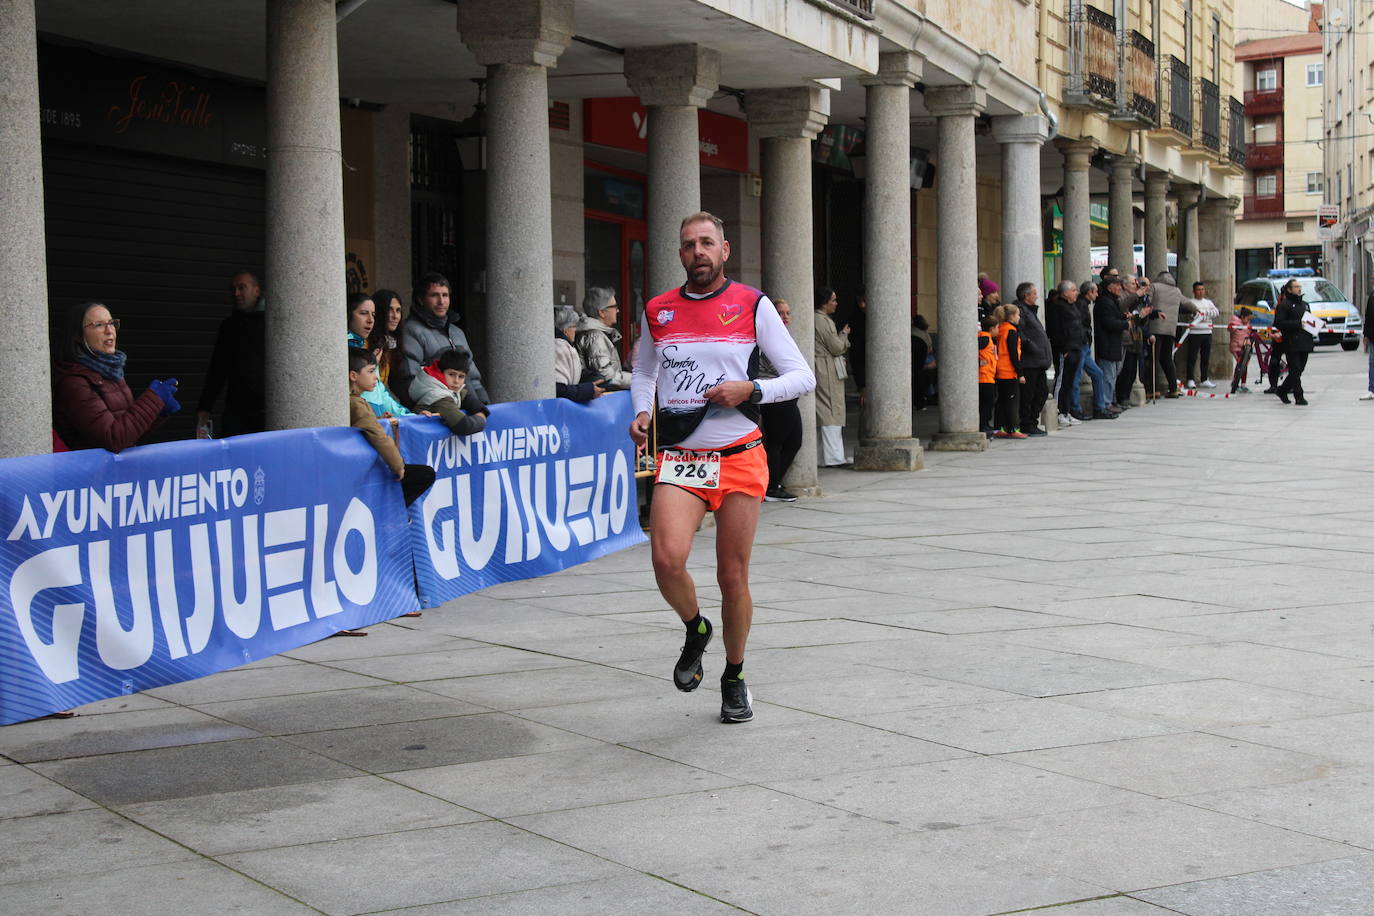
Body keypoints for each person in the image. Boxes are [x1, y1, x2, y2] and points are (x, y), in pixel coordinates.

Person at [628, 211, 814, 724]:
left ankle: (734, 676)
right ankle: (696, 628)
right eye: (689, 245)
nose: (698, 252)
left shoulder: (752, 304)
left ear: (724, 250)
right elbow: (644, 370)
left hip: (738, 456)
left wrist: (750, 390)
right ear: (680, 253)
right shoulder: (659, 309)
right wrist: (641, 411)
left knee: (732, 576)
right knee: (666, 559)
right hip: (682, 457)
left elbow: (802, 377)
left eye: (707, 243)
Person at [344, 347, 432, 633]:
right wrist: (398, 465)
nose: (376, 377)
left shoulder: (357, 402)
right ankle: (395, 516)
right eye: (371, 371)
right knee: (423, 475)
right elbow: (376, 435)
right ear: (353, 376)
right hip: (367, 489)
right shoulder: (356, 405)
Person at [53, 302, 181, 452]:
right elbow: (113, 439)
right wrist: (154, 399)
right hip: (90, 467)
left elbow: (129, 435)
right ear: (78, 336)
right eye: (99, 325)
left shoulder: (112, 373)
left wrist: (158, 412)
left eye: (111, 323)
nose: (109, 331)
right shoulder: (74, 382)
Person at [403, 272, 489, 405]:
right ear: (420, 299)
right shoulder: (410, 330)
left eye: (445, 295)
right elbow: (410, 380)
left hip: (468, 405)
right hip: (437, 409)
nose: (441, 301)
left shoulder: (457, 332)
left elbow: (473, 377)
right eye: (434, 295)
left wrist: (485, 404)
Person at [197, 270, 265, 437]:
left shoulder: (272, 324)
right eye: (233, 289)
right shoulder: (229, 327)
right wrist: (205, 407)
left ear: (256, 291)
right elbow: (217, 370)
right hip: (237, 413)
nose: (236, 294)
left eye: (242, 288)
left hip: (266, 412)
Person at [758, 298, 803, 502]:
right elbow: (782, 367)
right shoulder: (769, 337)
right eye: (780, 313)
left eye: (787, 313)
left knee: (794, 441)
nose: (785, 317)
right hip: (775, 395)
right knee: (776, 442)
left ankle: (772, 482)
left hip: (789, 395)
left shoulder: (784, 336)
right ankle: (772, 487)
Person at [347, 293, 412, 418]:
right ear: (348, 314)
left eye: (373, 315)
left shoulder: (368, 350)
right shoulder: (340, 349)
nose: (370, 320)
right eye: (363, 313)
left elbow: (381, 394)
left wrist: (412, 417)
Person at [409, 349, 491, 433]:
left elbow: (465, 398)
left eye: (461, 376)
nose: (456, 381)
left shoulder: (447, 389)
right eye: (451, 374)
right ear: (440, 372)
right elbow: (464, 426)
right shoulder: (439, 397)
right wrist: (482, 417)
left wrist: (481, 410)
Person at [813, 285, 850, 467]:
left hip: (820, 365)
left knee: (823, 411)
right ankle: (833, 456)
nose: (836, 303)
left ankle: (824, 457)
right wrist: (844, 336)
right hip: (825, 367)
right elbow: (835, 347)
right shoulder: (823, 321)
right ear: (824, 302)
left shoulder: (816, 319)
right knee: (831, 410)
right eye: (833, 300)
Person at [1012, 282, 1052, 436]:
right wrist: (1032, 346)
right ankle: (1026, 423)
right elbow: (1019, 333)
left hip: (1038, 361)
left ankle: (1032, 421)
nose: (1036, 296)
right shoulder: (1021, 310)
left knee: (1041, 392)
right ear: (1026, 295)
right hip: (1029, 361)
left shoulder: (1030, 311)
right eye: (1034, 293)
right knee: (1029, 395)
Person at [575, 286, 632, 389]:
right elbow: (607, 376)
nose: (618, 310)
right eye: (614, 306)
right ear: (601, 312)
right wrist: (639, 381)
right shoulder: (595, 337)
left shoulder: (596, 334)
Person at [1075, 281, 1117, 419]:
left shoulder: (1084, 304)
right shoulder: (1081, 305)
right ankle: (1075, 408)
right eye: (1095, 292)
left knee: (1098, 373)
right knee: (1076, 378)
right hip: (1081, 345)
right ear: (1089, 293)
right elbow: (1079, 326)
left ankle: (1100, 407)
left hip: (1085, 345)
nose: (1097, 295)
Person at [1047, 280, 1084, 425]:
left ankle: (1066, 411)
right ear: (1065, 293)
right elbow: (1056, 331)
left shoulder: (1073, 306)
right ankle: (1057, 411)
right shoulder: (1057, 307)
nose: (1076, 293)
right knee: (1062, 380)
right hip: (1065, 350)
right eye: (1073, 290)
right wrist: (1064, 349)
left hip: (1076, 347)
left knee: (1070, 381)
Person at [369, 288, 413, 405]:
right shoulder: (365, 343)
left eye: (398, 310)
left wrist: (411, 411)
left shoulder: (391, 343)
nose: (395, 316)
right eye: (390, 310)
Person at [1273, 277, 1314, 405]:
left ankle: (1282, 390)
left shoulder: (1304, 305)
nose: (1299, 289)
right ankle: (1299, 396)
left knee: (1299, 370)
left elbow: (1309, 320)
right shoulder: (1284, 305)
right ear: (1289, 290)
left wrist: (1317, 325)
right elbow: (1279, 323)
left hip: (1305, 341)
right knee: (1295, 369)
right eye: (1296, 287)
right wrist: (1297, 324)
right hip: (1291, 342)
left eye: (1299, 286)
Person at [553, 304, 605, 402]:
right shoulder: (559, 348)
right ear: (565, 331)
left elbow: (573, 375)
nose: (575, 330)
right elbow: (559, 390)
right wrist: (588, 390)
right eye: (573, 326)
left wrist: (592, 377)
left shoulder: (566, 346)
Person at [1095, 273, 1130, 409]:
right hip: (1107, 343)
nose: (1120, 288)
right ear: (1110, 288)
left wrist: (1123, 317)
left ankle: (1108, 402)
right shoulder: (1105, 302)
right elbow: (1108, 322)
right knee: (1107, 376)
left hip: (1112, 343)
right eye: (1117, 285)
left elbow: (1114, 317)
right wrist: (1125, 324)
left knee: (1112, 375)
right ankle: (1105, 403)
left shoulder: (1112, 301)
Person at [1146, 271, 1183, 398]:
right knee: (1167, 358)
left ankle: (1154, 390)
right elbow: (1186, 303)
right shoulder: (1176, 290)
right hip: (1170, 329)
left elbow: (1147, 302)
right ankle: (1173, 388)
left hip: (1156, 327)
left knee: (1153, 359)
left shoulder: (1154, 286)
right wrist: (1197, 310)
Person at [991, 304, 1026, 439]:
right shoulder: (1011, 331)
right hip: (1008, 370)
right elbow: (1013, 354)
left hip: (999, 369)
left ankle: (999, 427)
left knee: (1001, 400)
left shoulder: (1000, 329)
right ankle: (1013, 428)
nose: (1019, 317)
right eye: (1017, 315)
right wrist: (1020, 373)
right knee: (1012, 401)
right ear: (1011, 316)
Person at [1180, 281, 1220, 389]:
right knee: (1192, 357)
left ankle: (1204, 379)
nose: (1201, 292)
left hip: (1207, 332)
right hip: (1194, 333)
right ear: (1194, 291)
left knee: (1205, 357)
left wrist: (1204, 314)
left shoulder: (1208, 302)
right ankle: (1190, 379)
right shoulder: (1190, 303)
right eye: (1198, 290)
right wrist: (1204, 315)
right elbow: (1193, 316)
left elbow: (1216, 312)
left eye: (1202, 289)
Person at [977, 315, 998, 437]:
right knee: (986, 403)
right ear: (991, 329)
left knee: (988, 402)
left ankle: (985, 424)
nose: (998, 330)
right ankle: (983, 424)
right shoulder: (984, 338)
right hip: (984, 376)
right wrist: (978, 362)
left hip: (988, 376)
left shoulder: (988, 338)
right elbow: (971, 349)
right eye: (997, 327)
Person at [1229, 307, 1254, 394]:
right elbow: (1229, 328)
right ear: (1242, 317)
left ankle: (1243, 384)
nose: (1248, 321)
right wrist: (1234, 326)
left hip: (1244, 348)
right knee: (1240, 364)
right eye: (1247, 319)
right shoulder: (1235, 323)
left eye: (1250, 319)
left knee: (1244, 366)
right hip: (1236, 348)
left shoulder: (1248, 325)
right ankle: (1235, 383)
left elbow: (1249, 334)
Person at [910, 315, 933, 410]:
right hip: (923, 351)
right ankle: (921, 401)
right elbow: (930, 346)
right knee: (920, 375)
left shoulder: (911, 331)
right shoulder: (924, 333)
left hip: (915, 351)